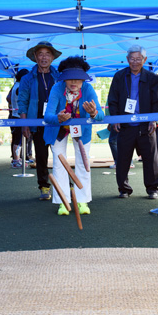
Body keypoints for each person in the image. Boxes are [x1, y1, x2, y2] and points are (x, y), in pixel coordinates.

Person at [44, 56, 104, 215]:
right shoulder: (57, 88)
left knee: (84, 163)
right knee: (59, 163)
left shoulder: (88, 89)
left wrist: (93, 113)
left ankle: (82, 201)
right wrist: (57, 118)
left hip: (81, 130)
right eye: (69, 78)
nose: (73, 82)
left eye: (78, 79)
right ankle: (63, 202)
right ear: (63, 78)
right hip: (59, 129)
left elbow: (100, 115)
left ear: (84, 79)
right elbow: (47, 116)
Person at [107, 45, 158, 199]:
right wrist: (115, 118)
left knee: (151, 159)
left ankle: (153, 189)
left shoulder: (152, 78)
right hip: (125, 125)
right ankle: (124, 189)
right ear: (127, 59)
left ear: (144, 60)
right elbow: (112, 99)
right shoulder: (119, 76)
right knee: (123, 158)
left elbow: (157, 101)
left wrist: (153, 120)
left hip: (146, 125)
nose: (135, 62)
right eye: (132, 58)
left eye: (139, 59)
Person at [18, 41, 62, 200]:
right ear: (35, 57)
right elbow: (22, 101)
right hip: (37, 122)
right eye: (40, 54)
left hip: (57, 121)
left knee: (59, 154)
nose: (44, 57)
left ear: (52, 57)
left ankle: (62, 184)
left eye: (47, 54)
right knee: (41, 156)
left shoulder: (59, 76)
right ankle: (44, 187)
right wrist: (24, 124)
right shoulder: (27, 78)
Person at [8, 68, 29, 168]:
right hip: (18, 116)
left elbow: (8, 98)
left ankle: (17, 159)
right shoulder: (20, 87)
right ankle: (16, 160)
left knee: (17, 139)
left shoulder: (15, 86)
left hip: (14, 115)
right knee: (18, 140)